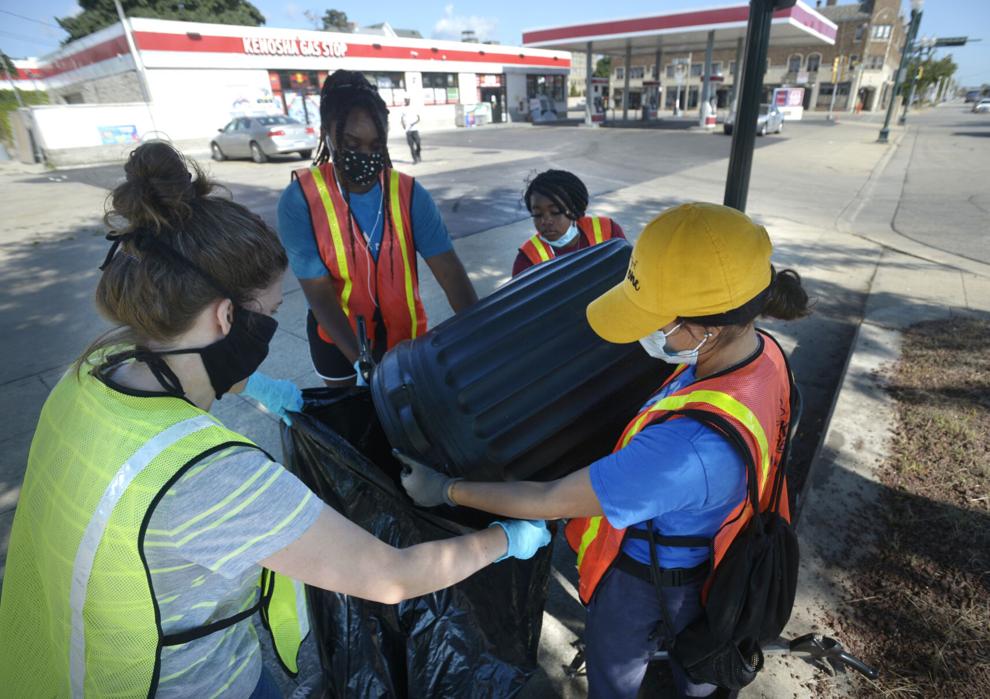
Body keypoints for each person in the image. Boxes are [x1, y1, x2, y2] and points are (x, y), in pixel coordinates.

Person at [0, 142, 550, 698]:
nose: (269, 331)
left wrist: (261, 388)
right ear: (225, 317)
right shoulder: (207, 475)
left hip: (50, 661)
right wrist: (507, 538)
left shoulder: (87, 375)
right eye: (270, 316)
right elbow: (392, 577)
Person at [398, 202, 810, 699]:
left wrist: (446, 489)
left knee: (617, 679)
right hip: (722, 550)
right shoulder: (762, 353)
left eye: (658, 319)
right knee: (700, 668)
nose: (646, 332)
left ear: (708, 329)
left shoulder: (688, 450)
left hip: (654, 581)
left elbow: (550, 499)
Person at [277, 70, 477, 385]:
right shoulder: (301, 199)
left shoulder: (410, 194)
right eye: (352, 143)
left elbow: (451, 274)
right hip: (337, 341)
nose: (366, 157)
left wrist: (480, 333)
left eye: (375, 145)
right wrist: (363, 364)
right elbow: (320, 295)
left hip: (405, 340)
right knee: (352, 423)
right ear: (329, 132)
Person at [513, 169, 626, 277]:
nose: (546, 221)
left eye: (555, 211)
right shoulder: (527, 259)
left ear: (574, 209)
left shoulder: (607, 231)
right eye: (537, 214)